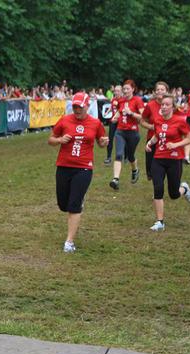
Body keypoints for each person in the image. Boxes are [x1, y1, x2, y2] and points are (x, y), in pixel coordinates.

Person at [47, 92, 108, 252]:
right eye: (74, 106)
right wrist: (60, 140)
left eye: (80, 107)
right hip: (64, 166)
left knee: (74, 205)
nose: (77, 109)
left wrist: (104, 142)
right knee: (63, 204)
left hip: (83, 168)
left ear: (87, 106)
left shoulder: (95, 123)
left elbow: (102, 142)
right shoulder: (65, 120)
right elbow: (51, 139)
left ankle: (69, 242)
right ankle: (76, 203)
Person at [144, 94, 190, 232]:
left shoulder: (180, 121)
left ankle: (184, 188)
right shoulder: (157, 120)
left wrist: (176, 144)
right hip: (158, 159)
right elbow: (157, 135)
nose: (164, 107)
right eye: (162, 104)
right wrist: (149, 143)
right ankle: (160, 222)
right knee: (158, 188)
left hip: (174, 160)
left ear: (173, 107)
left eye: (167, 105)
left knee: (173, 194)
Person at [109, 80, 143, 190]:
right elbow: (119, 111)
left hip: (133, 133)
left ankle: (135, 170)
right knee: (119, 154)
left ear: (133, 89)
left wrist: (131, 113)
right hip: (120, 131)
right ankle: (115, 179)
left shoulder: (137, 100)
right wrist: (115, 117)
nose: (125, 91)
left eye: (128, 88)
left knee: (131, 156)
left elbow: (143, 116)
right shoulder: (121, 101)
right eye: (124, 89)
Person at [141, 82, 171, 180]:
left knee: (161, 167)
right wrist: (151, 126)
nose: (160, 91)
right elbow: (142, 121)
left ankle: (158, 188)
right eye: (158, 89)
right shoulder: (150, 105)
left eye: (162, 89)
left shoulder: (172, 105)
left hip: (167, 140)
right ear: (155, 92)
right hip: (152, 139)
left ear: (167, 91)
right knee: (150, 169)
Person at [104, 85, 123, 165]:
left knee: (122, 139)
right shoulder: (113, 99)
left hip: (121, 122)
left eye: (118, 91)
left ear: (121, 92)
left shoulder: (123, 100)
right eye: (115, 91)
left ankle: (124, 157)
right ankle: (108, 157)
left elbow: (120, 111)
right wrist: (107, 112)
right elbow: (111, 107)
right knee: (110, 139)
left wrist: (116, 118)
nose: (116, 92)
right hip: (113, 121)